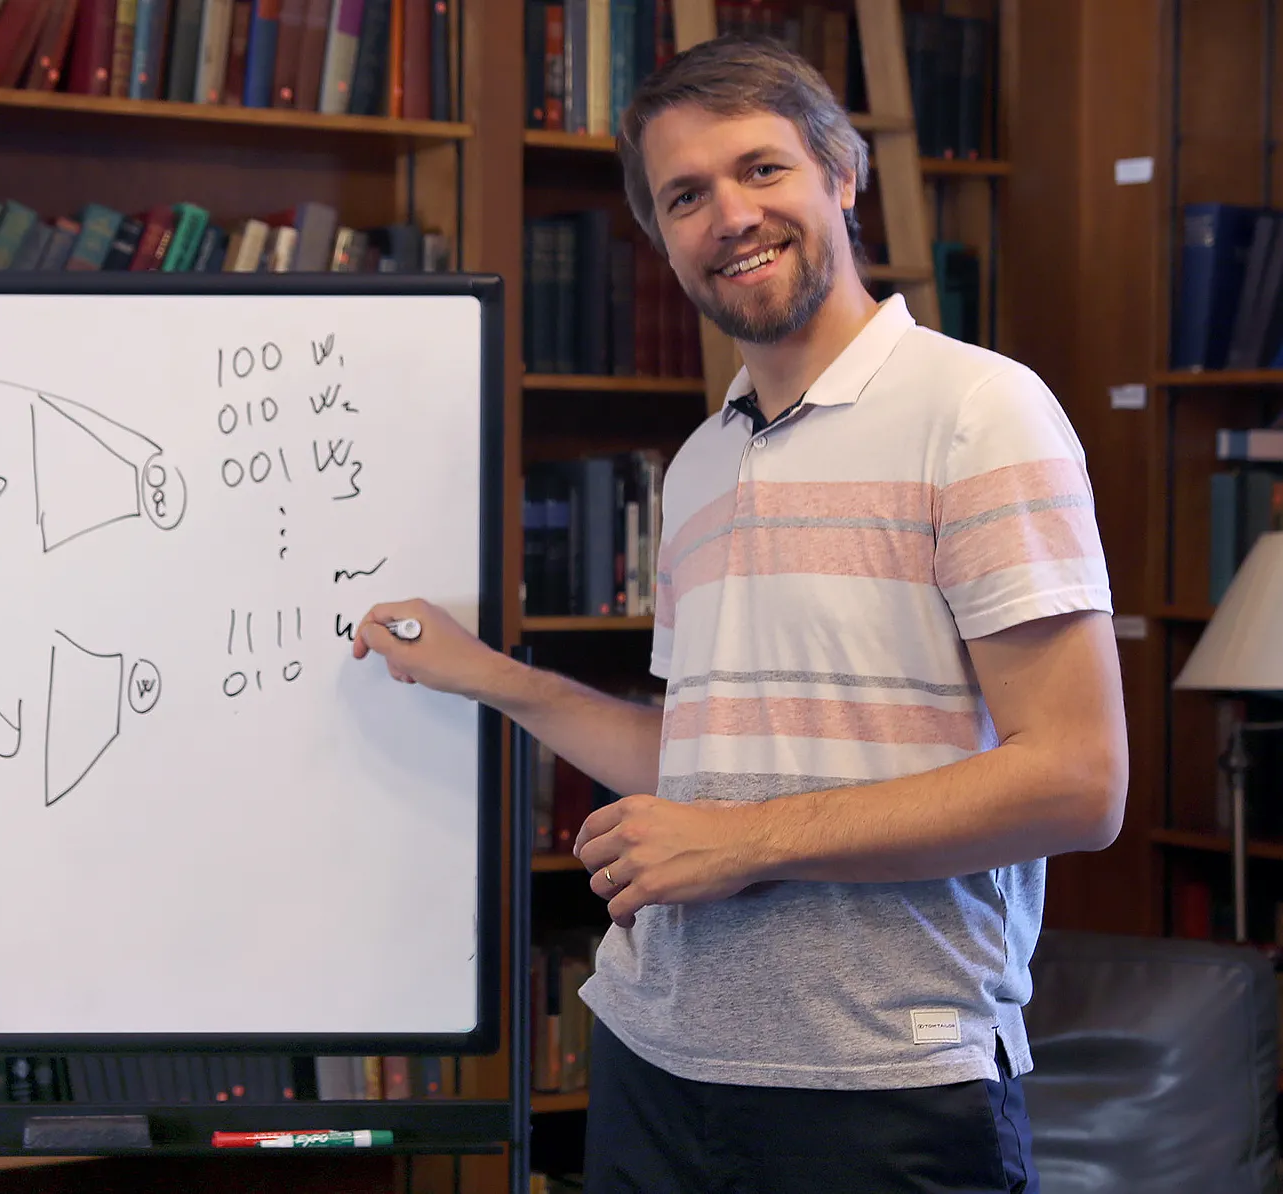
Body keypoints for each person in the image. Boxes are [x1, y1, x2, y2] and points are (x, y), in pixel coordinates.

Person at [352, 32, 1126, 1194]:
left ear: (841, 177)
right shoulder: (702, 466)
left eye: (761, 170)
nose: (730, 214)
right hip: (652, 1063)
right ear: (662, 238)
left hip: (880, 1093)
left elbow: (1079, 779)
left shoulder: (980, 409)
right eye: (685, 196)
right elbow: (706, 769)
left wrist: (741, 846)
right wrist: (491, 677)